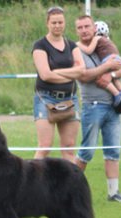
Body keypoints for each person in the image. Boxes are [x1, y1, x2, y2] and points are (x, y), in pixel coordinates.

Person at [74, 15, 121, 203]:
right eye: (80, 27)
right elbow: (84, 76)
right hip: (93, 106)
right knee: (86, 151)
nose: (84, 30)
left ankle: (113, 193)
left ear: (94, 28)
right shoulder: (76, 51)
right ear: (76, 31)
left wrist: (111, 72)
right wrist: (106, 68)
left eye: (87, 26)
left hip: (112, 106)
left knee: (113, 150)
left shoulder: (103, 46)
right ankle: (68, 188)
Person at [32, 6, 85, 161]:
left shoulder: (72, 45)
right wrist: (70, 74)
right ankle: (30, 183)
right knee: (45, 146)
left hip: (70, 99)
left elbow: (81, 70)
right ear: (47, 23)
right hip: (45, 99)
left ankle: (71, 185)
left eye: (60, 22)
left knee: (69, 148)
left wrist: (57, 72)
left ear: (64, 23)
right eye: (54, 22)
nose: (57, 26)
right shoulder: (40, 46)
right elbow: (45, 75)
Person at [78, 20, 121, 118]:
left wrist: (78, 44)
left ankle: (117, 95)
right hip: (116, 58)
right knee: (118, 84)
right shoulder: (107, 40)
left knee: (100, 78)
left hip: (108, 59)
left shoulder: (97, 38)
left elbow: (89, 50)